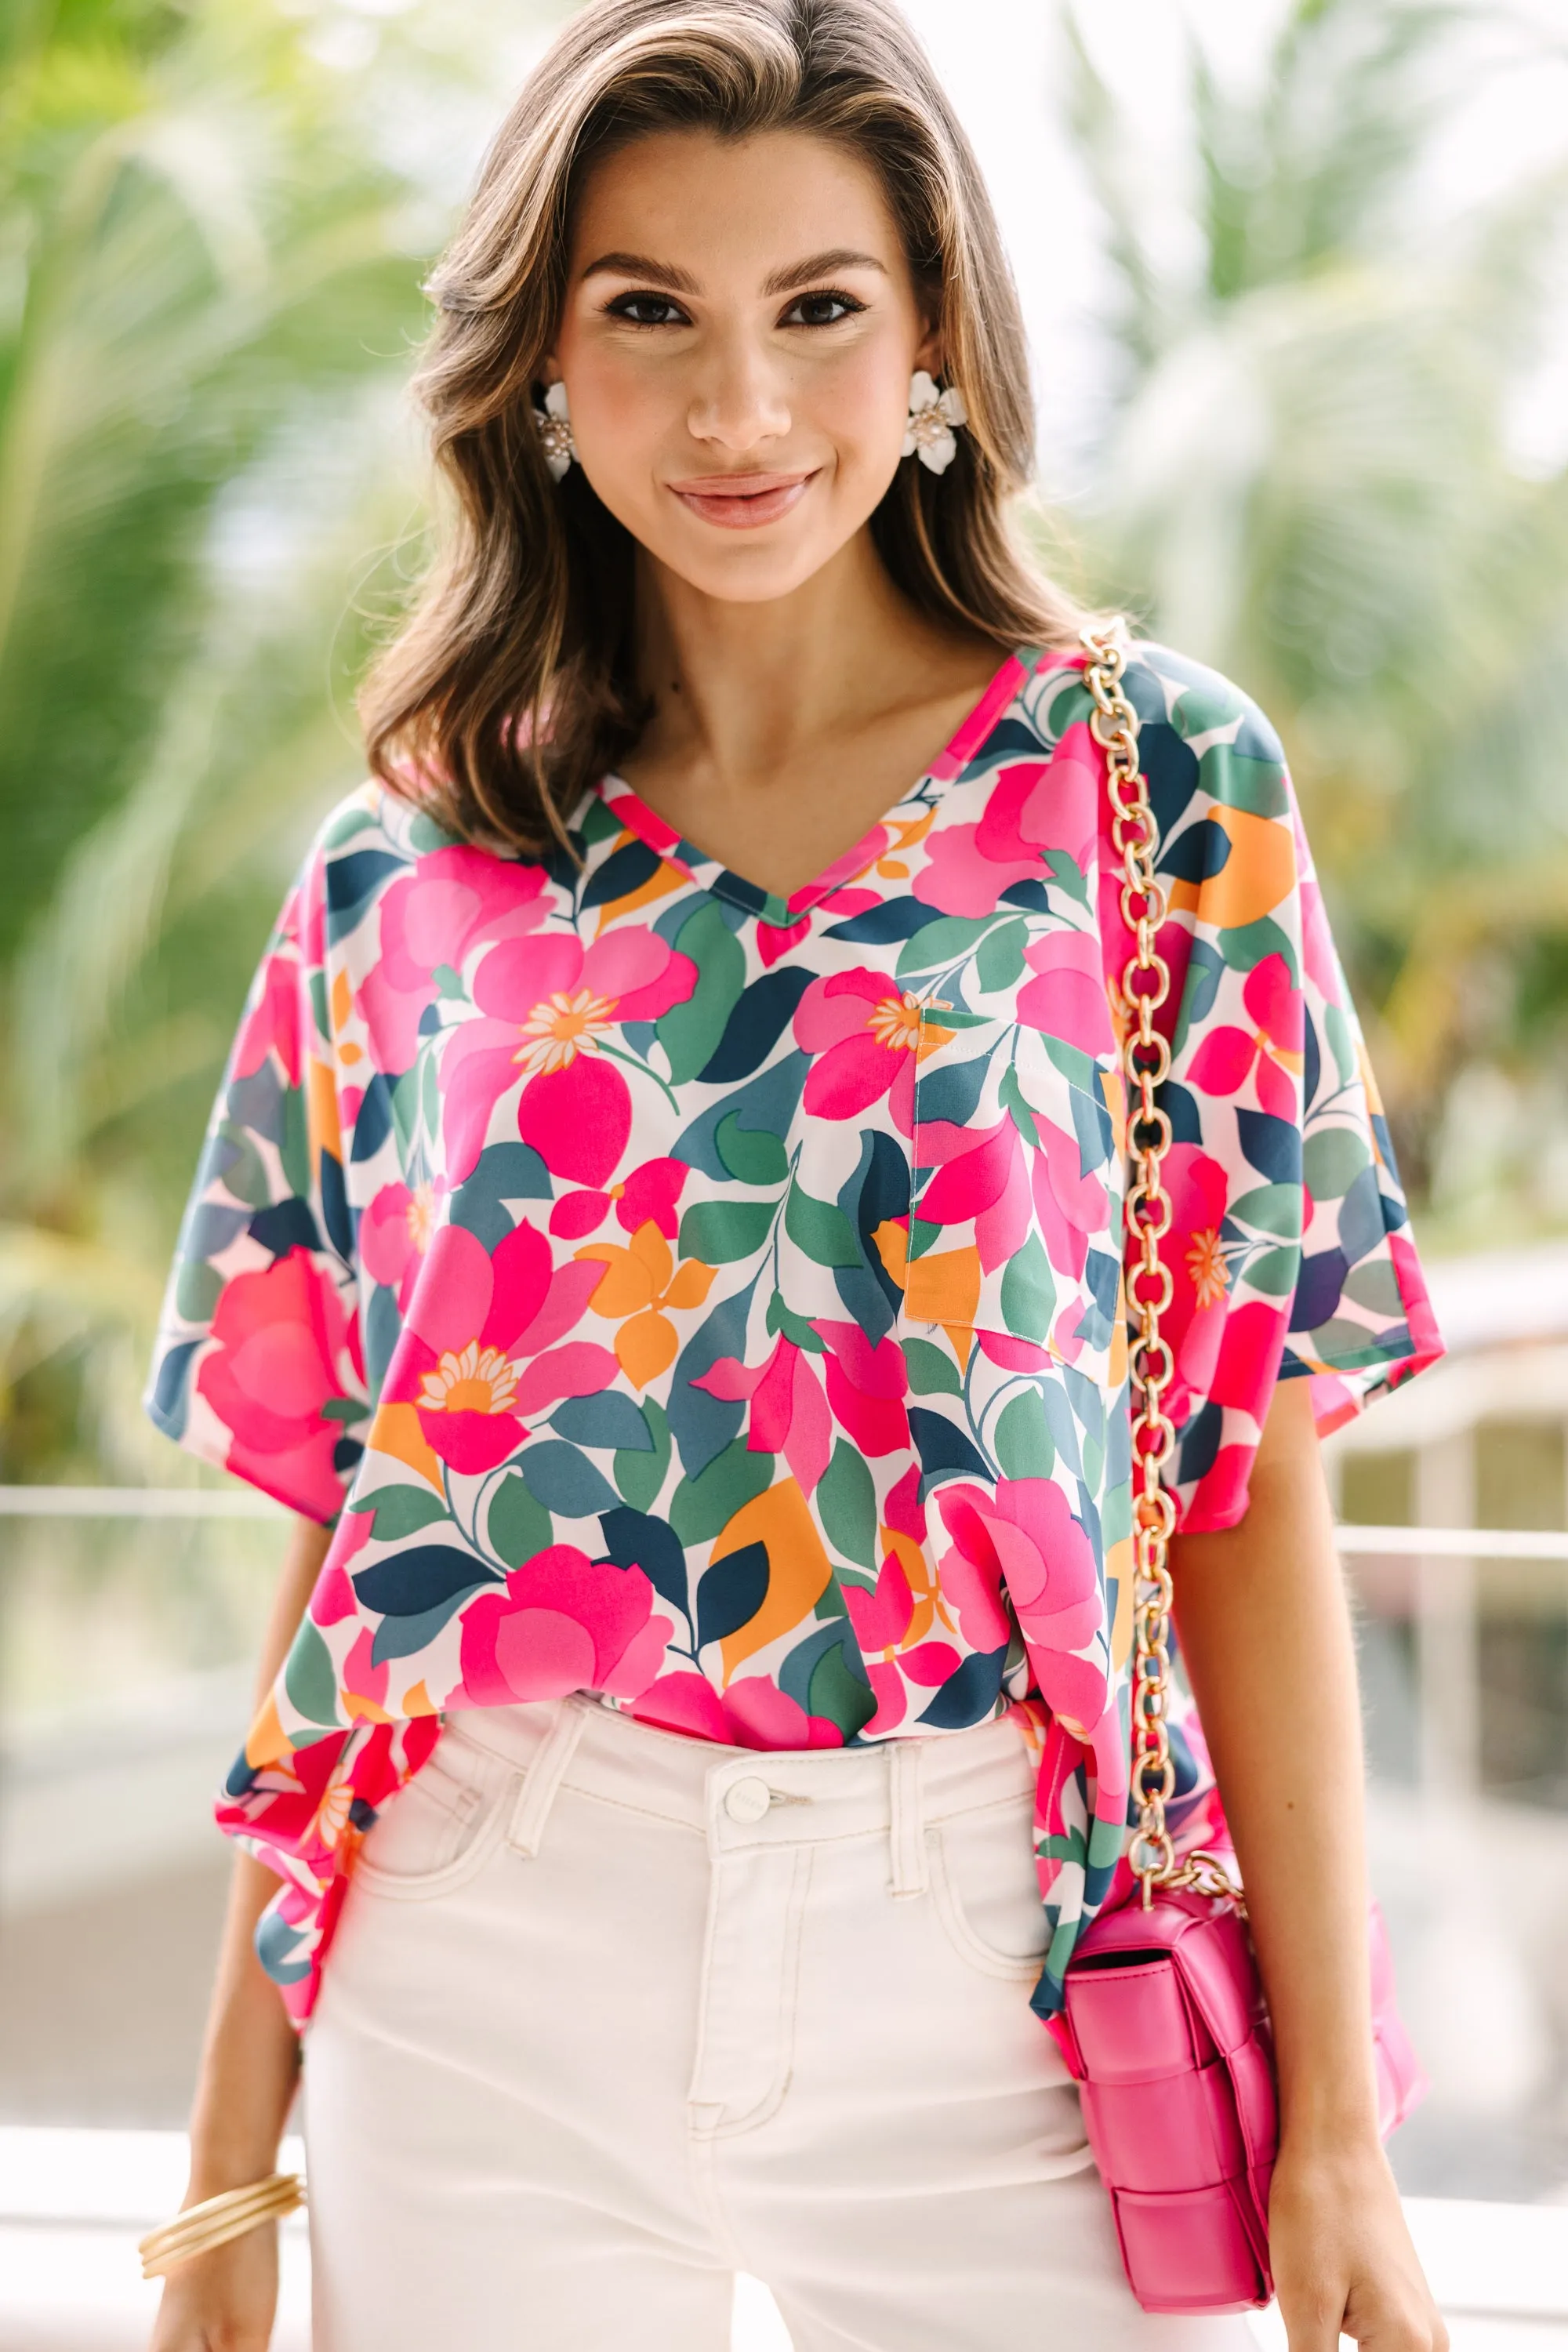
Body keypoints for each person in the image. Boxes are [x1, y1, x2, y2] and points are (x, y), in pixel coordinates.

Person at [142, 2, 1450, 2346]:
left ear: (933, 335)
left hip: (1000, 1955)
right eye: (649, 314)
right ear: (541, 364)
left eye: (816, 311)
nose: (740, 413)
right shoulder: (413, 861)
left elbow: (1245, 1474)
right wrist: (230, 2169)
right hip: (481, 1927)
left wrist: (1338, 2120)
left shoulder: (1154, 788)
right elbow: (351, 1527)